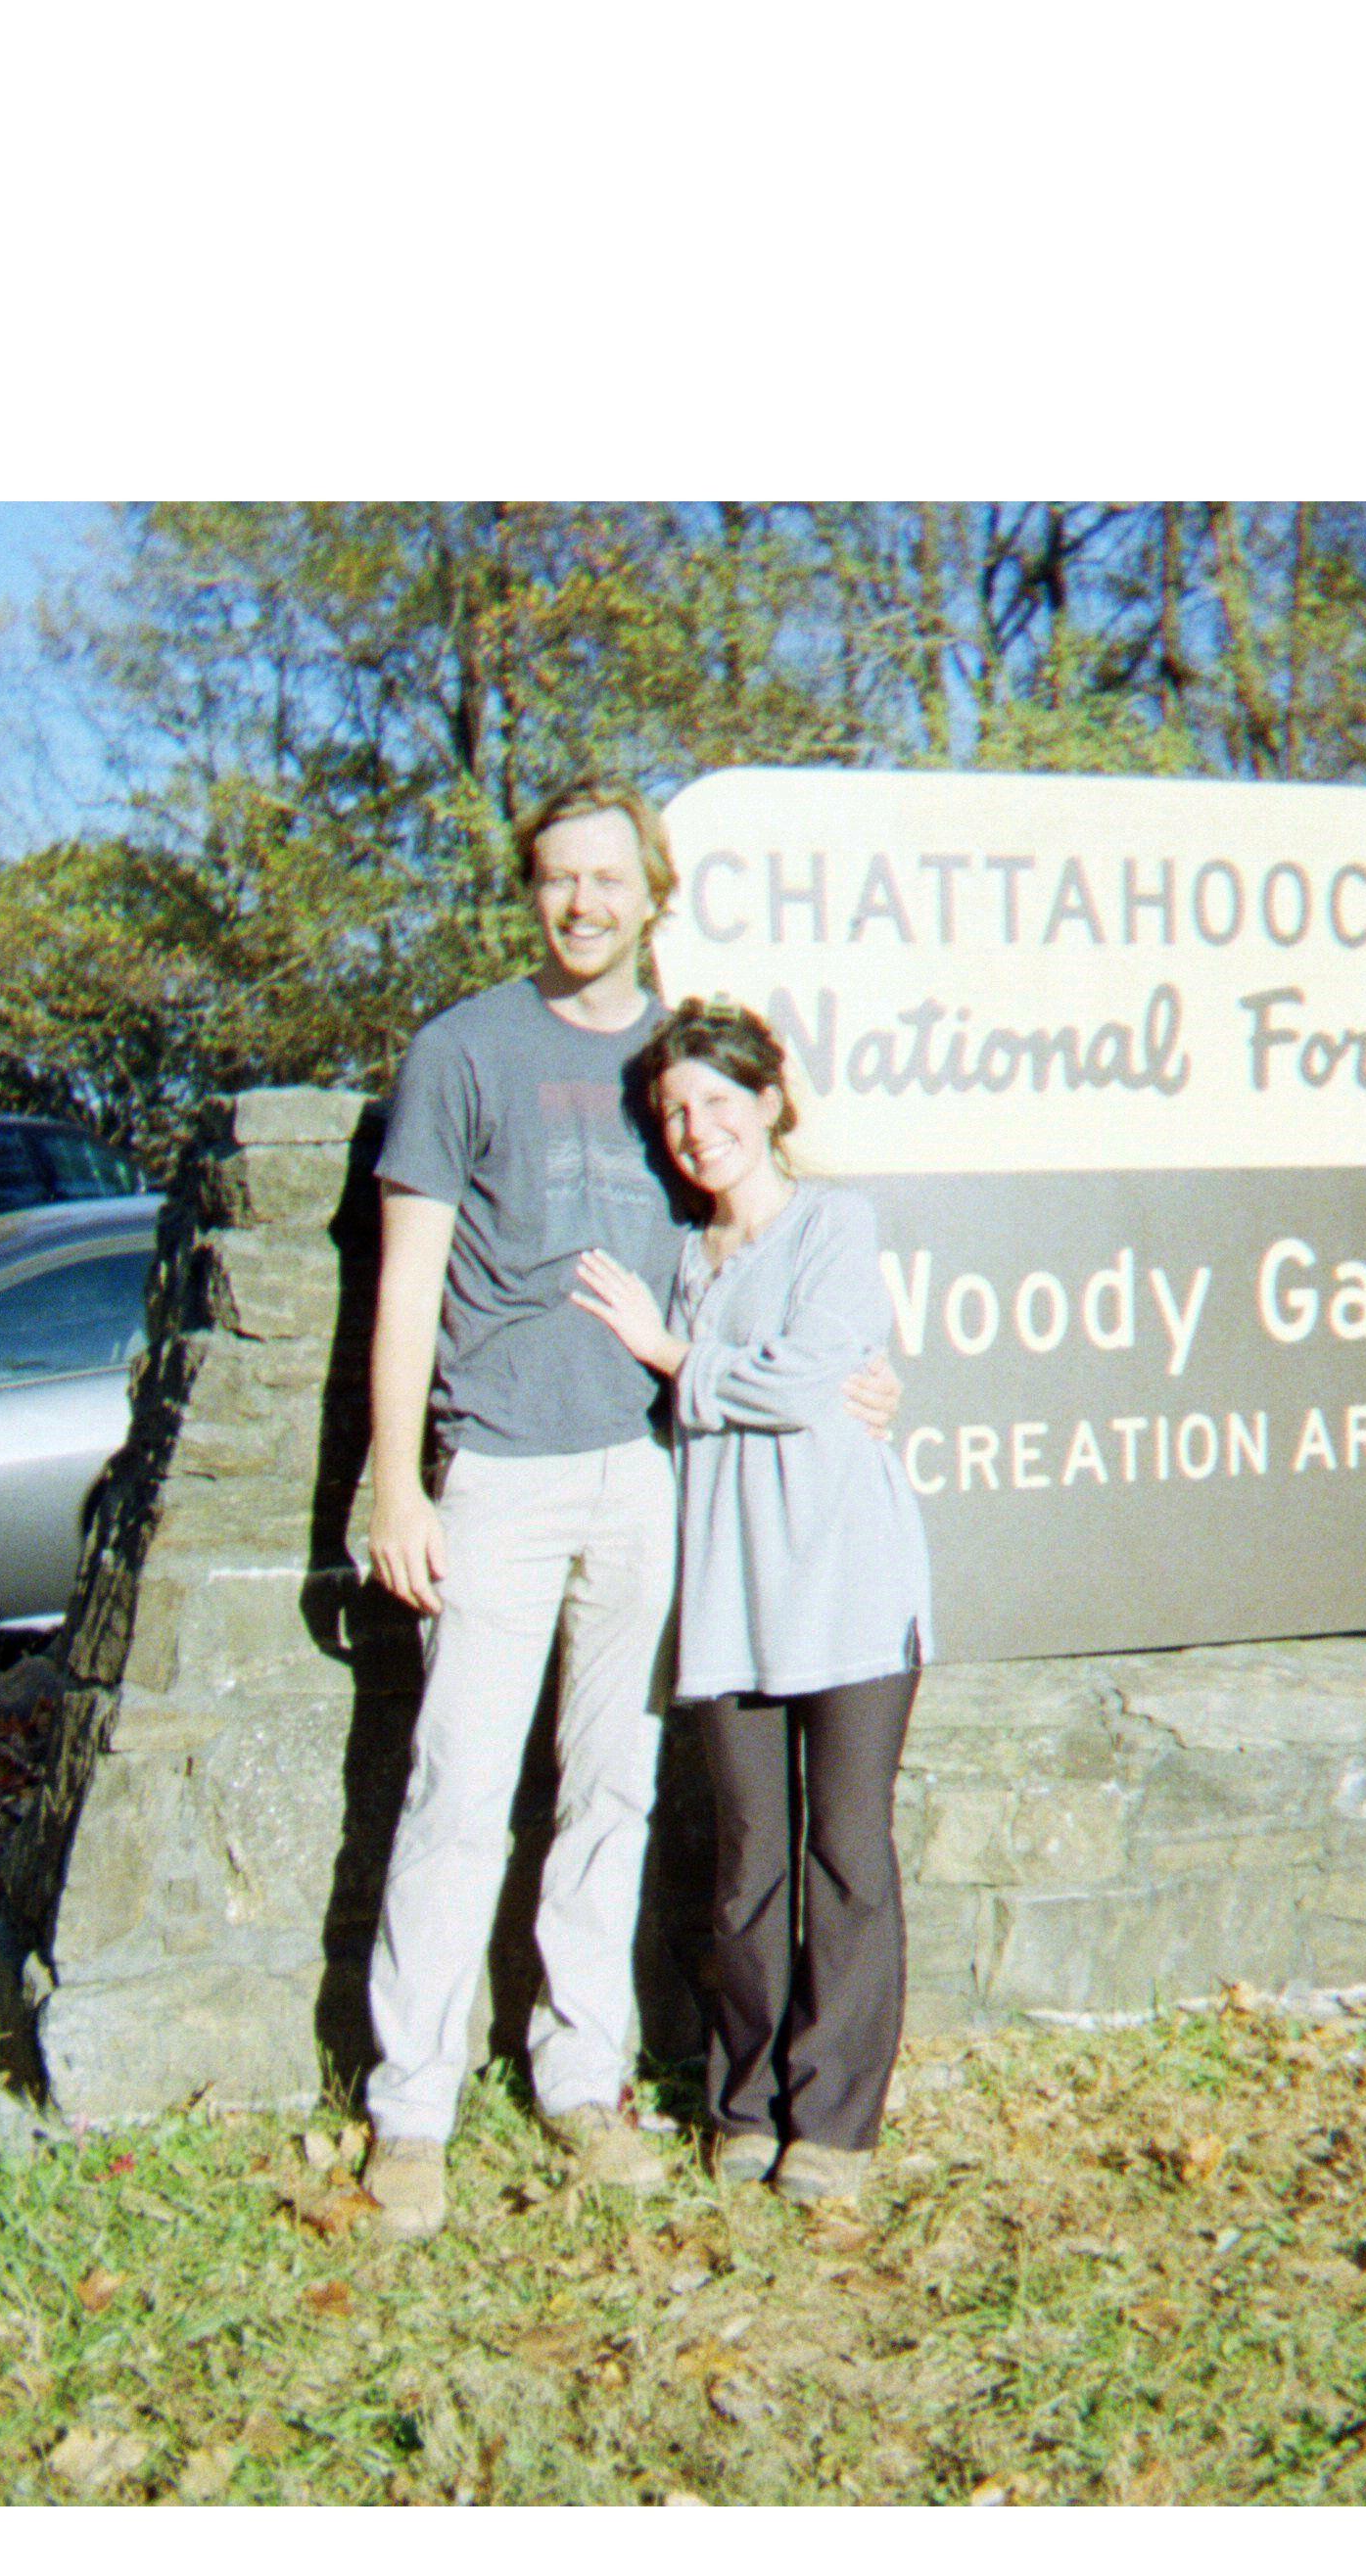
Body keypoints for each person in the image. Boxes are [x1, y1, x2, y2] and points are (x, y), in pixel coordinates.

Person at [359, 787, 892, 2242]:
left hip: (654, 1478)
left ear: (653, 891)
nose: (581, 903)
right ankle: (411, 2109)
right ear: (529, 893)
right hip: (503, 1472)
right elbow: (406, 1276)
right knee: (459, 1791)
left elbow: (763, 1223)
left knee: (613, 1793)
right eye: (556, 879)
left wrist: (857, 1367)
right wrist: (390, 1476)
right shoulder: (462, 1049)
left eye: (608, 879)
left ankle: (580, 2083)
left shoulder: (673, 1062)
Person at [571, 1000, 935, 2208]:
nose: (696, 1130)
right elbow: (775, 1391)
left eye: (719, 1103)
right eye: (674, 1112)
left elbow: (814, 1381)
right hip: (727, 1593)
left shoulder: (835, 1222)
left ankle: (831, 2126)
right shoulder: (679, 1257)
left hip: (850, 1586)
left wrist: (679, 1364)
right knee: (743, 1868)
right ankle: (745, 2100)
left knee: (845, 1858)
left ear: (773, 1102)